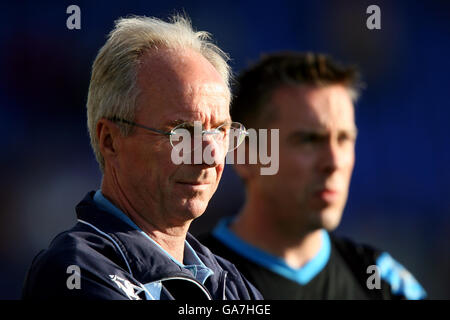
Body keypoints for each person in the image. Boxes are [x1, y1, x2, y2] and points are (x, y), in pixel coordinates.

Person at [22, 15, 262, 300]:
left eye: (220, 130)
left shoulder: (231, 284)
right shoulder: (73, 271)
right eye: (182, 131)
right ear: (110, 140)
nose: (211, 155)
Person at [200, 52, 427, 300]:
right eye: (308, 140)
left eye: (344, 139)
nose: (334, 162)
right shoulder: (194, 282)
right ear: (245, 156)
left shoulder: (382, 281)